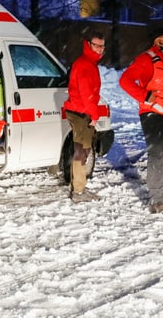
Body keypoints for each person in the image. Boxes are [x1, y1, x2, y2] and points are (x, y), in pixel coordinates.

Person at [120, 27, 163, 213]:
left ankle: (158, 192)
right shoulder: (146, 59)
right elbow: (125, 81)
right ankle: (156, 198)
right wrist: (144, 95)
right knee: (157, 154)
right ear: (157, 41)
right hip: (152, 115)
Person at [63, 31, 106, 203]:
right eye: (96, 45)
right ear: (88, 44)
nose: (100, 49)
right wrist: (94, 114)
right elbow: (86, 93)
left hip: (81, 111)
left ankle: (78, 188)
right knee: (81, 151)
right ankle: (78, 191)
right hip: (82, 113)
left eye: (102, 46)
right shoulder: (85, 64)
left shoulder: (88, 63)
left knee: (83, 150)